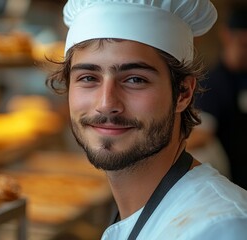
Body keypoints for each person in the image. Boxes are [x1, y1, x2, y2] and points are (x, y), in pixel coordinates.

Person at [46, 0, 247, 239]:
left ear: (183, 93)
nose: (106, 104)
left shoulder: (220, 228)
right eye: (89, 78)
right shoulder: (138, 211)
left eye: (135, 79)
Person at [188, 4, 247, 190]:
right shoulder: (213, 82)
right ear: (226, 35)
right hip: (235, 182)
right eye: (243, 43)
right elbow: (202, 135)